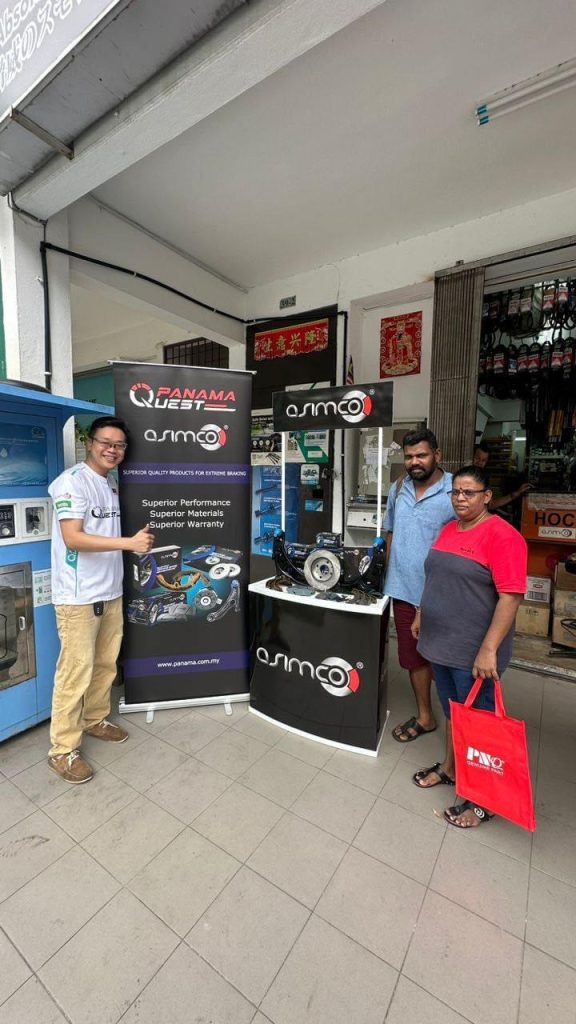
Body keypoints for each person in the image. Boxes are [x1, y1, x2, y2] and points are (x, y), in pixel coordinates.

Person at [410, 464, 527, 828]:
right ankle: (450, 768)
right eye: (456, 492)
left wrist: (489, 649)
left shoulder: (503, 536)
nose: (460, 499)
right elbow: (435, 578)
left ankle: (483, 800)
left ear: (487, 496)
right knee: (454, 713)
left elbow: (511, 597)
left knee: (480, 723)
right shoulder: (449, 529)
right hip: (441, 645)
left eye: (469, 493)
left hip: (473, 652)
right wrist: (421, 612)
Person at [47, 416, 154, 784]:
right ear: (90, 443)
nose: (113, 450)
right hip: (78, 596)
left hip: (110, 591)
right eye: (106, 442)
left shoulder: (109, 484)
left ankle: (94, 719)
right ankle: (62, 750)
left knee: (105, 665)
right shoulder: (71, 482)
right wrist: (129, 543)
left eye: (119, 445)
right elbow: (73, 538)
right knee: (75, 671)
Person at [383, 428, 456, 743]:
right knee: (414, 658)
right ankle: (426, 716)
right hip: (404, 590)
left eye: (422, 455)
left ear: (437, 455)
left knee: (449, 662)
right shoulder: (398, 487)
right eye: (409, 456)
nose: (415, 461)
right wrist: (385, 575)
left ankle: (460, 729)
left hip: (444, 595)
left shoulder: (456, 491)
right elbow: (390, 532)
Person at [473, 441, 532, 512]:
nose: (479, 463)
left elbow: (491, 505)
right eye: (477, 458)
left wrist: (515, 494)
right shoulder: (462, 476)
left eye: (483, 460)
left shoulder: (484, 479)